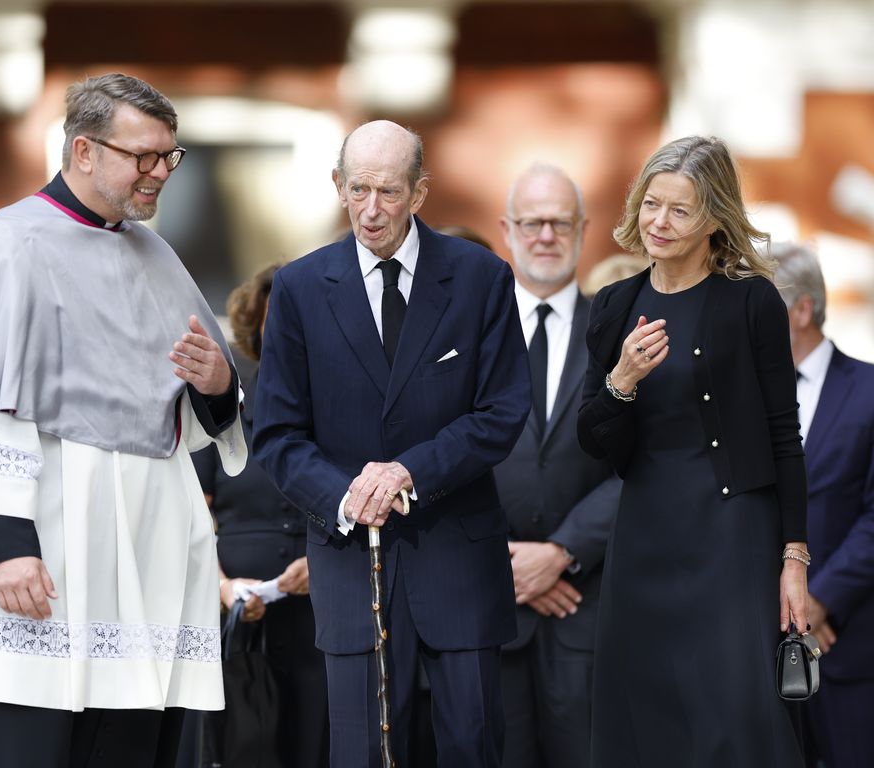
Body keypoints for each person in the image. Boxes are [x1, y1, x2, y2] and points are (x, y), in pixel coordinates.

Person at [0, 73, 246, 768]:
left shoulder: (157, 256)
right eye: (141, 157)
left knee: (124, 737)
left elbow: (202, 412)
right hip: (47, 540)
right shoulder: (10, 245)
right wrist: (4, 545)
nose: (159, 174)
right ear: (83, 151)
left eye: (169, 157)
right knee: (26, 731)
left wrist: (219, 383)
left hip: (139, 556)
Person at [252, 120, 531, 767]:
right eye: (358, 190)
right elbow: (277, 433)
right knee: (362, 753)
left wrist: (407, 471)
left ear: (420, 192)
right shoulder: (297, 289)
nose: (371, 209)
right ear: (337, 187)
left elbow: (501, 411)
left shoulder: (480, 277)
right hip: (352, 559)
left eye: (388, 191)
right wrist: (347, 497)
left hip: (458, 557)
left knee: (473, 745)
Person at [576, 135, 809, 767]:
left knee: (733, 715)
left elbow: (785, 435)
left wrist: (793, 558)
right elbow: (594, 442)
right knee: (644, 715)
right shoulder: (614, 306)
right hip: (646, 537)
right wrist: (620, 382)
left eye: (680, 210)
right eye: (652, 204)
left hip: (734, 538)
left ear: (714, 217)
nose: (659, 222)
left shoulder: (752, 302)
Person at [494, 164, 620, 768]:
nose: (545, 234)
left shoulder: (619, 331)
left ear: (583, 229)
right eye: (532, 222)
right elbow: (442, 452)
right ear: (507, 230)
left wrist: (561, 552)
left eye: (559, 222)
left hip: (589, 609)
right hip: (490, 613)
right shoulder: (471, 331)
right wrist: (511, 561)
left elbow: (643, 464)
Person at [192, 264, 329, 768]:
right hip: (240, 623)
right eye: (280, 317)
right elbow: (191, 519)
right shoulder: (220, 409)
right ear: (258, 324)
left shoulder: (341, 409)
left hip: (323, 616)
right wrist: (224, 588)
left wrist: (332, 565)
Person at [772, 242, 874, 768]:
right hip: (758, 645)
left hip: (847, 646)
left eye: (763, 308)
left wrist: (821, 601)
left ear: (803, 310)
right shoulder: (747, 401)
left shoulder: (869, 391)